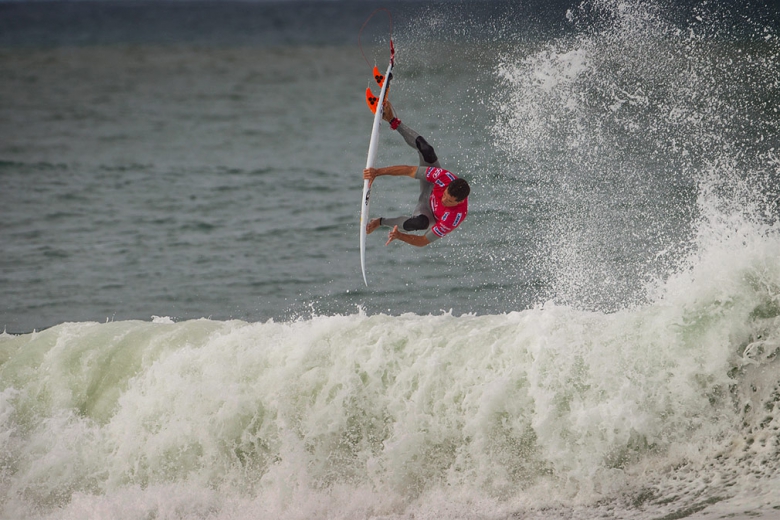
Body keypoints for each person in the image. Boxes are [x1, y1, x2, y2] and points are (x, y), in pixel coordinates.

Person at [363, 101, 470, 247]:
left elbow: (423, 241)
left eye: (449, 201)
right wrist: (377, 172)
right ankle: (392, 120)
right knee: (427, 150)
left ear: (459, 202)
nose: (444, 199)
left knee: (419, 223)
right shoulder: (445, 178)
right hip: (429, 188)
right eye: (445, 195)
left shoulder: (454, 217)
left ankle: (380, 221)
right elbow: (409, 170)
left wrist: (399, 236)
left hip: (428, 213)